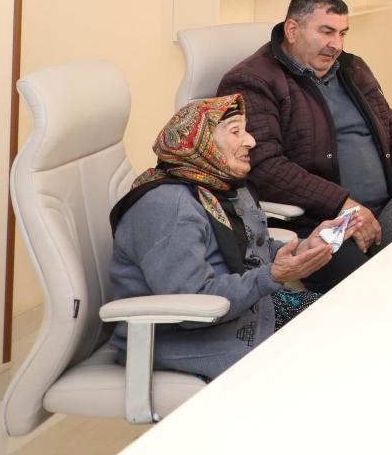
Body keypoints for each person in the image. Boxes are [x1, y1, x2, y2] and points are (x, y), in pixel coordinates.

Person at [220, 0, 392, 289]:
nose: (336, 44)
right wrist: (343, 205)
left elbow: (391, 129)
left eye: (342, 33)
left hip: (382, 207)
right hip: (319, 223)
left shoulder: (353, 67)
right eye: (326, 32)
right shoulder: (254, 81)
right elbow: (265, 167)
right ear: (292, 30)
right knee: (370, 289)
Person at [108, 95, 337, 378]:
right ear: (202, 143)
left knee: (345, 313)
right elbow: (194, 304)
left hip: (243, 314)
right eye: (235, 131)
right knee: (333, 354)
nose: (251, 141)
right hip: (186, 339)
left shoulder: (220, 188)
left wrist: (301, 248)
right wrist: (273, 276)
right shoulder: (169, 207)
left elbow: (251, 251)